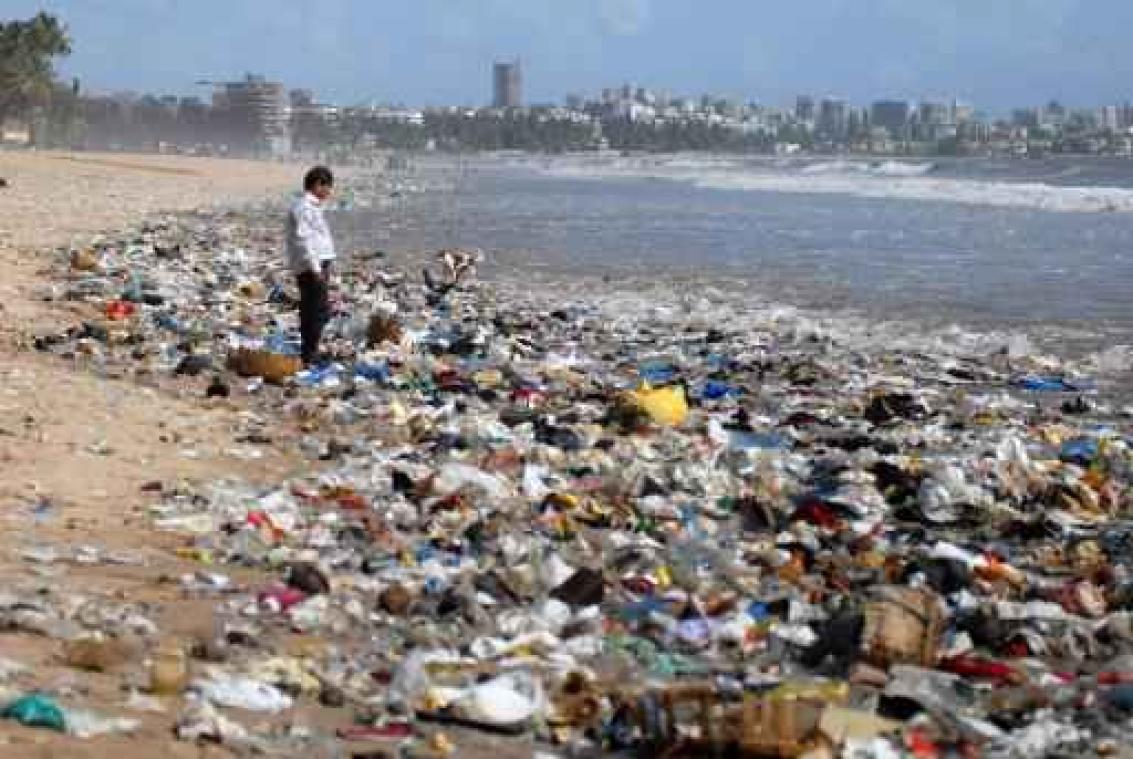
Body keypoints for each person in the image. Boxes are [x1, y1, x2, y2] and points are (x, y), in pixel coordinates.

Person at [285, 166, 336, 365]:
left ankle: (310, 351)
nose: (329, 192)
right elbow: (304, 239)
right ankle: (309, 354)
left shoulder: (311, 206)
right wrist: (315, 269)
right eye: (328, 187)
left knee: (316, 309)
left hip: (316, 264)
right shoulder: (304, 207)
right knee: (316, 310)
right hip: (311, 267)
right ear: (317, 185)